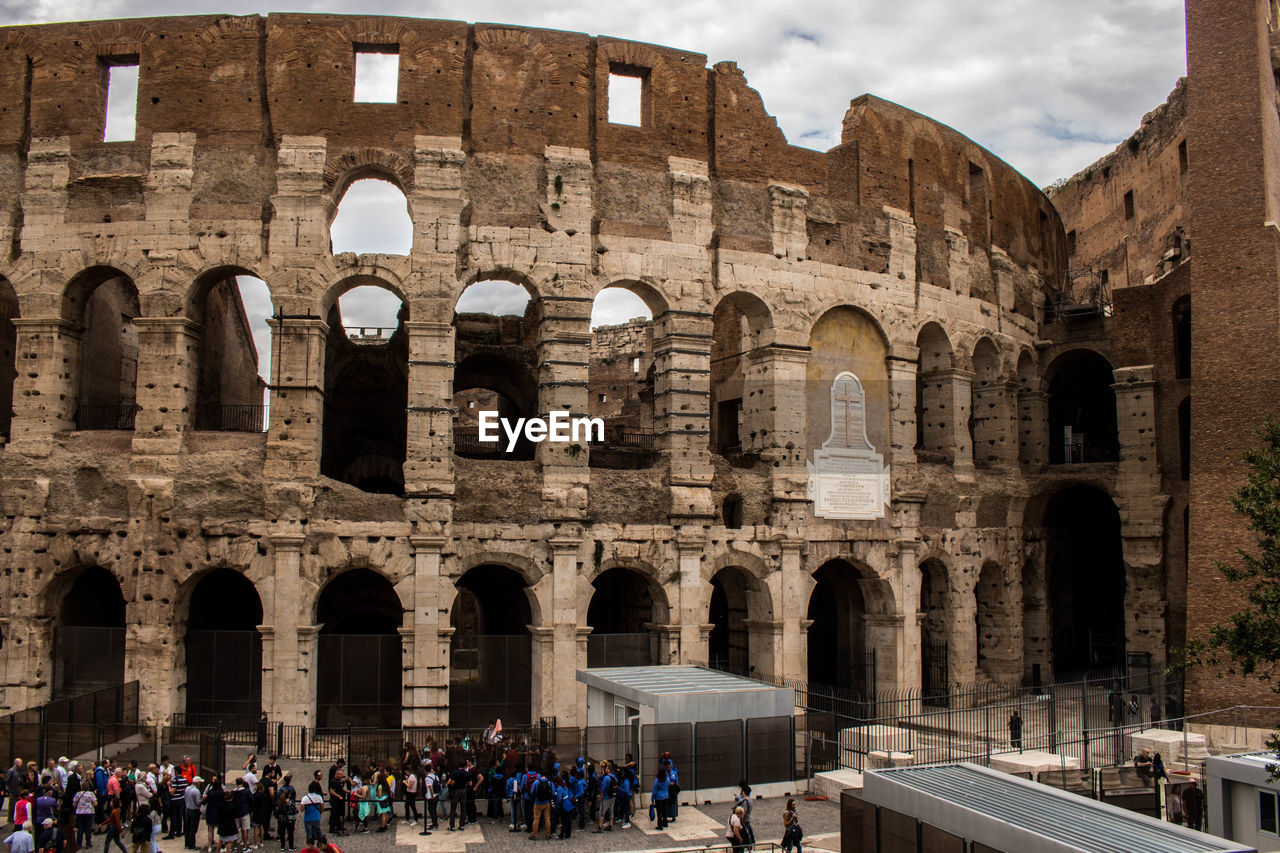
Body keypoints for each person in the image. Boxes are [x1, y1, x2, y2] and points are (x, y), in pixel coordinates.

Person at [528, 775, 553, 840]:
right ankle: (548, 834)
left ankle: (534, 834)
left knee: (536, 818)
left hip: (538, 802)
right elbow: (552, 792)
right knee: (547, 819)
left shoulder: (536, 782)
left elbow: (532, 792)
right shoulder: (549, 783)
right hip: (546, 802)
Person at [72, 785, 96, 850]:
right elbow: (95, 803)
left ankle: (79, 844)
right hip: (89, 812)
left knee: (80, 829)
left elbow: (74, 804)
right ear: (88, 788)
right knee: (88, 828)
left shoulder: (78, 794)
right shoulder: (91, 794)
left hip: (80, 812)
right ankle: (88, 844)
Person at [275, 785, 297, 852]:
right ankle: (291, 846)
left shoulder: (280, 802)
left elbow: (277, 811)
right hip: (289, 820)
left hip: (281, 820)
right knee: (290, 833)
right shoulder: (290, 803)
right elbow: (295, 810)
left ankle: (282, 846)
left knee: (282, 833)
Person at [447, 766, 469, 832]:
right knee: (463, 808)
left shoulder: (455, 773)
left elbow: (449, 782)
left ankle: (452, 826)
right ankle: (462, 825)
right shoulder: (466, 773)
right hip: (463, 791)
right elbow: (470, 783)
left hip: (456, 791)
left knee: (453, 809)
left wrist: (452, 786)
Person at [181, 778, 200, 851]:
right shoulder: (196, 791)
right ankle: (192, 845)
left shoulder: (187, 788)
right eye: (199, 782)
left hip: (188, 809)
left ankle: (187, 844)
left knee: (187, 827)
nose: (200, 784)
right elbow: (198, 803)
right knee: (193, 828)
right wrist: (203, 800)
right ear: (196, 783)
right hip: (194, 810)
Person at [734, 781, 755, 847]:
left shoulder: (745, 801)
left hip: (744, 821)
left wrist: (739, 820)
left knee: (745, 836)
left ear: (743, 792)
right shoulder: (750, 800)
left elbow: (744, 811)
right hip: (747, 820)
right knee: (749, 834)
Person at [5, 761, 22, 826]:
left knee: (17, 805)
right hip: (13, 790)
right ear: (15, 763)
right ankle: (10, 818)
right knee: (12, 805)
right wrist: (10, 787)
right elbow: (7, 780)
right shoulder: (11, 771)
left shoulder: (20, 771)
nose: (21, 764)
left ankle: (16, 817)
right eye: (20, 763)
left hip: (19, 790)